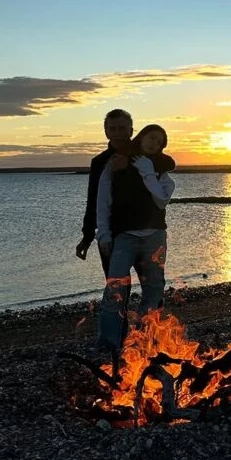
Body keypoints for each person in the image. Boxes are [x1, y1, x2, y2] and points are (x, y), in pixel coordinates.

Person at [93, 123, 176, 356]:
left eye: (159, 141)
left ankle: (143, 339)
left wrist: (147, 170)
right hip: (125, 237)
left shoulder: (163, 175)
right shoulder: (117, 165)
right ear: (141, 137)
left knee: (154, 289)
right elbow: (103, 201)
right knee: (115, 289)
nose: (154, 143)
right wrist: (103, 234)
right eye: (151, 137)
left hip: (155, 237)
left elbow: (160, 200)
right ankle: (108, 343)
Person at [75, 108, 134, 276]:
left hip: (142, 231)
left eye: (122, 128)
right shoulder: (99, 162)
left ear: (130, 131)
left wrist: (128, 167)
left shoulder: (143, 157)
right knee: (115, 284)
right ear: (106, 132)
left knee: (151, 284)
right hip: (110, 232)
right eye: (112, 129)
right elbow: (93, 200)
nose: (117, 133)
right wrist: (87, 237)